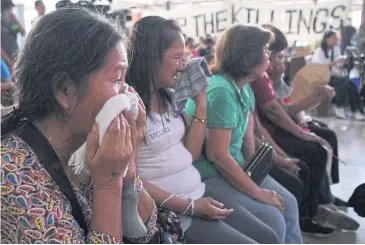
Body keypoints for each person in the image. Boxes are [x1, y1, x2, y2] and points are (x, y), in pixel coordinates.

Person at [1, 8, 158, 243]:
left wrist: (128, 167)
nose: (127, 92)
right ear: (65, 90)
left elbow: (149, 231)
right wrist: (108, 183)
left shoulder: (89, 144)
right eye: (117, 79)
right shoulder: (14, 176)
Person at [127, 16, 281, 244]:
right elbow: (133, 180)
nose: (183, 65)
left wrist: (200, 102)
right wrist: (190, 207)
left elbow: (191, 153)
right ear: (151, 58)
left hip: (199, 193)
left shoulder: (169, 98)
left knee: (270, 236)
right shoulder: (131, 108)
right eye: (177, 57)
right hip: (173, 211)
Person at [185, 24, 303, 244]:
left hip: (235, 167)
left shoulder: (243, 86)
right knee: (273, 218)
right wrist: (258, 193)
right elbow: (218, 156)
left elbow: (249, 142)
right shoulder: (220, 90)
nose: (269, 56)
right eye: (266, 50)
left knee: (288, 202)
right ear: (249, 56)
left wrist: (264, 173)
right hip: (211, 174)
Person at [250, 24, 360, 232]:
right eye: (272, 54)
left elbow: (281, 108)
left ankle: (322, 198)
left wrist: (303, 123)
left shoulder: (264, 75)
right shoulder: (254, 79)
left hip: (272, 129)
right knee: (315, 149)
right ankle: (310, 211)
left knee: (323, 137)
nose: (277, 59)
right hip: (272, 131)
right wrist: (285, 149)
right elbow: (270, 116)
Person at [312, 29, 365, 120]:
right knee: (343, 82)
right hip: (323, 77)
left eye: (336, 39)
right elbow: (320, 68)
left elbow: (338, 66)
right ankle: (338, 104)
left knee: (352, 85)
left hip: (336, 75)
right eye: (333, 39)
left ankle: (356, 110)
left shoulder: (336, 49)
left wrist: (343, 64)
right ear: (326, 39)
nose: (335, 41)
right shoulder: (319, 51)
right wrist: (335, 62)